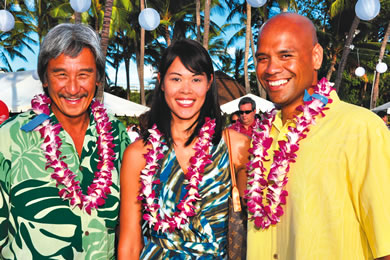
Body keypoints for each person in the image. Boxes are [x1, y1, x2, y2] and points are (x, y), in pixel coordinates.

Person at [246, 13, 390, 260]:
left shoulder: (360, 129)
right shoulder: (261, 138)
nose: (271, 69)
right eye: (262, 58)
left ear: (316, 56)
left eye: (285, 55)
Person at [0, 23, 131, 259]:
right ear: (45, 79)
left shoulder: (117, 136)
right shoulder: (9, 138)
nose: (72, 88)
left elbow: (128, 227)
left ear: (98, 78)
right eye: (61, 74)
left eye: (84, 74)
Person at [118, 39, 250, 259]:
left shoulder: (235, 146)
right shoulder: (138, 154)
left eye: (196, 79)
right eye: (176, 79)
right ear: (161, 82)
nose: (186, 90)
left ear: (209, 83)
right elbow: (130, 242)